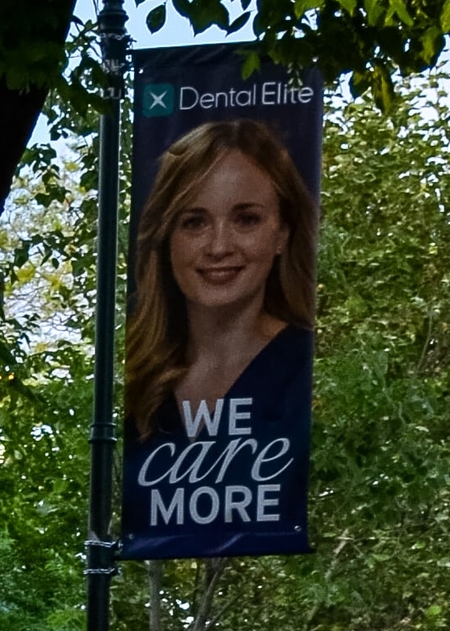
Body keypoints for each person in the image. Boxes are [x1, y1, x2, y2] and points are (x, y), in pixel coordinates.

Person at [121, 114, 316, 555]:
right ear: (166, 235)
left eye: (246, 219)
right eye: (194, 222)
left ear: (282, 233)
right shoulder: (140, 382)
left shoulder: (305, 368)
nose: (218, 246)